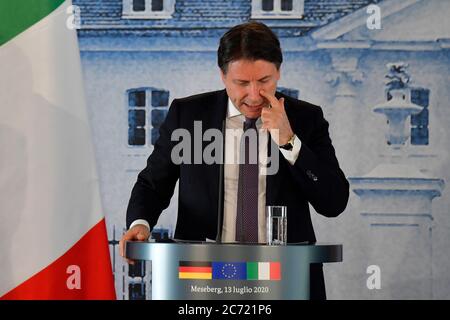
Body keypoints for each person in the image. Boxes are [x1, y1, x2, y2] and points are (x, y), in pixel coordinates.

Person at [119, 21, 349, 299]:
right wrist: (140, 224)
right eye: (241, 83)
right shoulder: (188, 115)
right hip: (204, 278)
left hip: (284, 277)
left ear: (279, 72)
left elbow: (334, 202)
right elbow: (152, 184)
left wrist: (290, 141)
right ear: (223, 76)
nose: (254, 95)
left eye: (264, 81)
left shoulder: (306, 119)